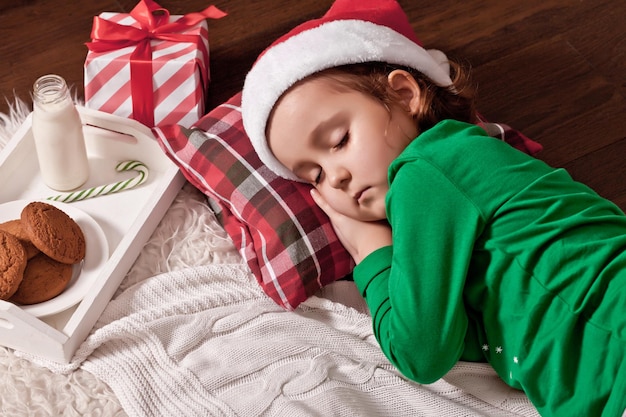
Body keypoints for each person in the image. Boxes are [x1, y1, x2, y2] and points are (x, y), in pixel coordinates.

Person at [241, 0, 626, 416]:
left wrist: (368, 252)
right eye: (314, 175)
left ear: (404, 94)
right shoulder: (450, 217)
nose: (335, 177)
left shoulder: (427, 168)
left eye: (338, 141)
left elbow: (420, 354)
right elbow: (465, 338)